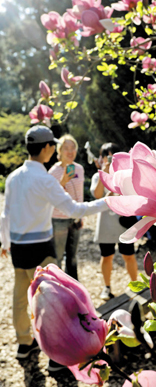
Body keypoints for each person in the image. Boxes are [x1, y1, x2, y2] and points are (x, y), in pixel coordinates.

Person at [0, 125, 108, 370]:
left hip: (18, 246)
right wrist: (109, 202)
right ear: (47, 148)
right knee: (51, 304)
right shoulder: (45, 180)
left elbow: (5, 214)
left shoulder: (14, 177)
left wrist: (5, 242)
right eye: (53, 145)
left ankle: (24, 345)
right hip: (41, 248)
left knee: (19, 297)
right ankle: (55, 357)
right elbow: (75, 210)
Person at [90, 142, 138, 301]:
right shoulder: (98, 176)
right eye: (106, 156)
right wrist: (104, 175)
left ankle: (135, 284)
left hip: (124, 221)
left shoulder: (126, 175)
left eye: (112, 156)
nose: (109, 160)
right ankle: (107, 287)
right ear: (101, 158)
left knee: (129, 255)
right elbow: (98, 197)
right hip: (105, 223)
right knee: (106, 256)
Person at [49, 134, 83, 280]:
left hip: (75, 219)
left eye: (73, 148)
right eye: (66, 148)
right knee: (57, 259)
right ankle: (58, 288)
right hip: (58, 220)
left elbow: (80, 195)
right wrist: (62, 182)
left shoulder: (79, 169)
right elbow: (50, 197)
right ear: (59, 151)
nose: (70, 151)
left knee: (73, 258)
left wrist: (80, 216)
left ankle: (74, 288)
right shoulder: (53, 172)